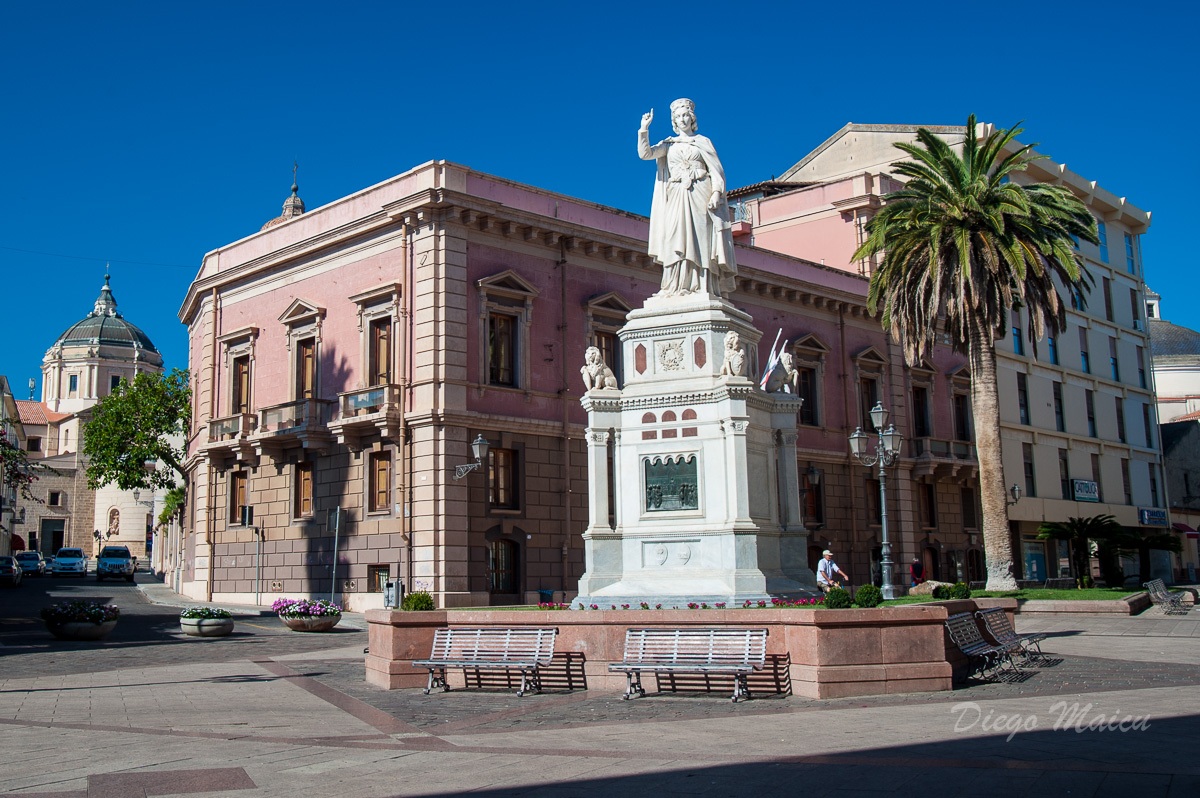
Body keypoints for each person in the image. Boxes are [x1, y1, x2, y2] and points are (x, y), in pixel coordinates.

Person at [638, 99, 738, 299]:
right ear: (673, 121)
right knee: (675, 236)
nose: (682, 119)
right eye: (678, 117)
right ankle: (675, 285)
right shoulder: (669, 144)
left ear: (692, 118)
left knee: (701, 237)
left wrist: (716, 193)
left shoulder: (703, 142)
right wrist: (644, 129)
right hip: (676, 194)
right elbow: (645, 154)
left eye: (685, 115)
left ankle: (703, 284)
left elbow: (716, 172)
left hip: (700, 191)